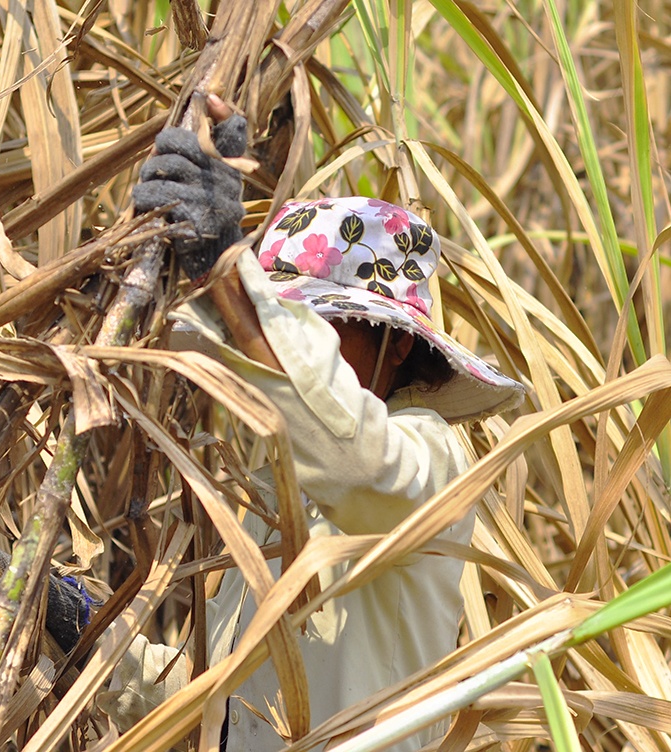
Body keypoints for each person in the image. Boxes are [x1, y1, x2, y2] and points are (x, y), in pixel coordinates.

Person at [94, 99, 527, 750]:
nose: (292, 343)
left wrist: (229, 274)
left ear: (396, 344)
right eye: (290, 322)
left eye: (319, 324)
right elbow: (230, 706)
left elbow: (357, 460)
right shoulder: (274, 489)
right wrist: (85, 640)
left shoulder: (428, 462)